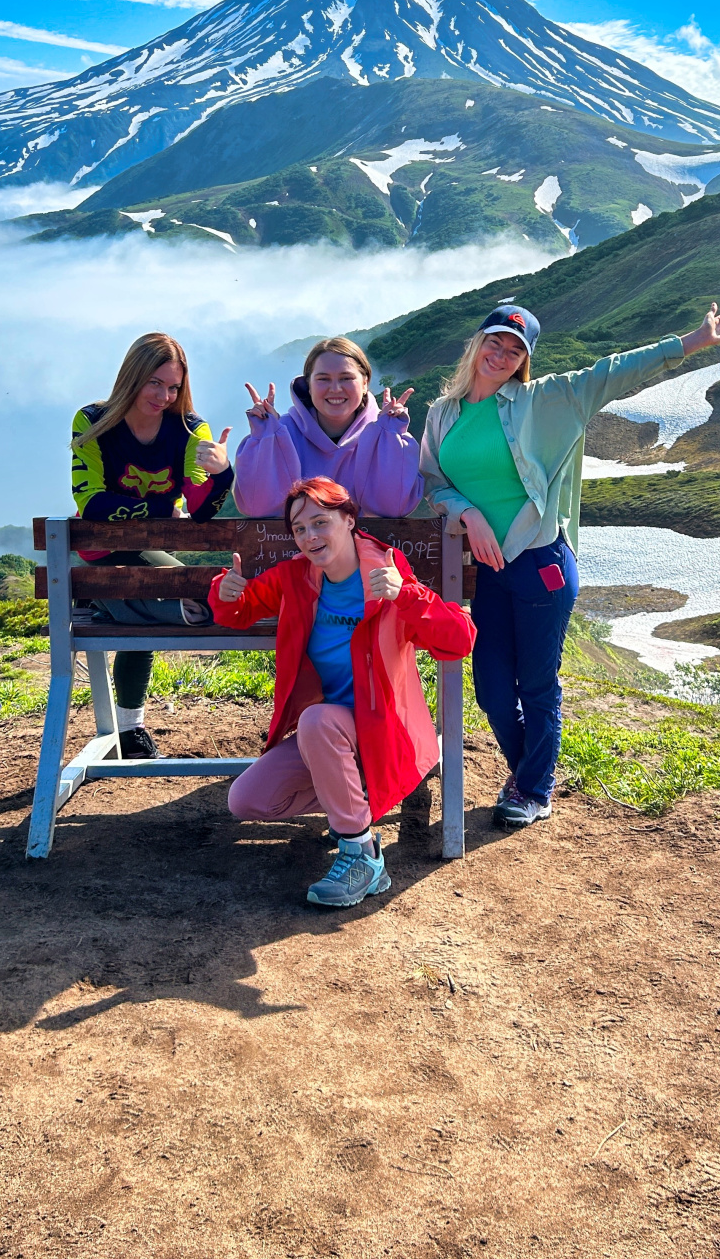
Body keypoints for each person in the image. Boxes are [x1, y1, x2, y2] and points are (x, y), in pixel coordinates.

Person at [419, 300, 720, 829]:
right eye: (495, 341)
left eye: (515, 349)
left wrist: (691, 343)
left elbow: (613, 371)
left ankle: (533, 788)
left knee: (537, 684)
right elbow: (433, 480)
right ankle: (528, 772)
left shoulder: (548, 399)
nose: (501, 354)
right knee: (494, 692)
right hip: (489, 568)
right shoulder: (443, 413)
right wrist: (467, 513)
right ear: (477, 344)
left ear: (525, 359)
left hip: (541, 562)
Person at [209, 477, 475, 908]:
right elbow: (241, 611)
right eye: (299, 529)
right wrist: (226, 592)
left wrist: (405, 594)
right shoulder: (296, 577)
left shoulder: (386, 572)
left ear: (348, 519)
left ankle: (363, 856)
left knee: (318, 720)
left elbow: (459, 640)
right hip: (332, 739)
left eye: (320, 522)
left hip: (384, 734)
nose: (310, 537)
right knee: (246, 800)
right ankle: (352, 803)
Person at [71, 331, 234, 759]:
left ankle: (130, 729)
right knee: (188, 589)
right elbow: (90, 504)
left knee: (160, 601)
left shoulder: (190, 429)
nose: (165, 396)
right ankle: (130, 730)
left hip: (137, 548)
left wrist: (222, 474)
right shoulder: (92, 421)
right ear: (133, 377)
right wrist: (160, 512)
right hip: (102, 550)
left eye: (174, 387)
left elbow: (199, 511)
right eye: (155, 383)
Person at [232, 336, 422, 519]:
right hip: (293, 550)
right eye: (323, 379)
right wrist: (266, 437)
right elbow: (257, 507)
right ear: (309, 385)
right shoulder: (284, 433)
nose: (335, 389)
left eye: (346, 378)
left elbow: (393, 508)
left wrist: (391, 436)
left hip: (364, 551)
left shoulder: (384, 434)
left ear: (365, 383)